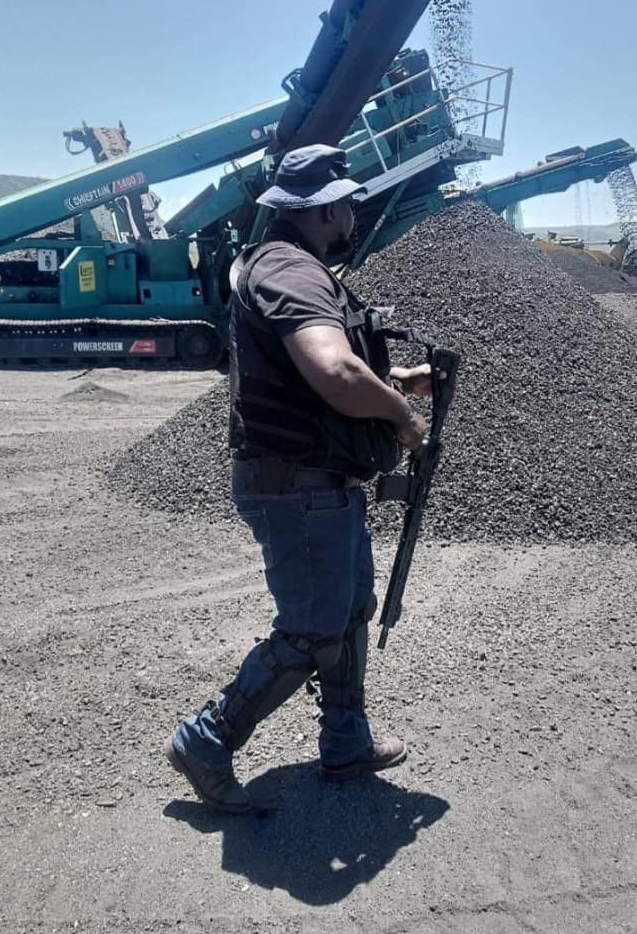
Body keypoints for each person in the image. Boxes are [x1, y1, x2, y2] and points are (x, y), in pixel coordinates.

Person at [165, 144, 435, 813]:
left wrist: (395, 379)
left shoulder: (297, 266)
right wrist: (405, 418)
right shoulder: (290, 268)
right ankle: (206, 739)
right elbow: (333, 372)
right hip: (298, 484)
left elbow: (322, 368)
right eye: (347, 203)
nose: (353, 213)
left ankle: (346, 743)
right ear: (328, 208)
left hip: (320, 481)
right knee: (313, 628)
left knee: (344, 616)